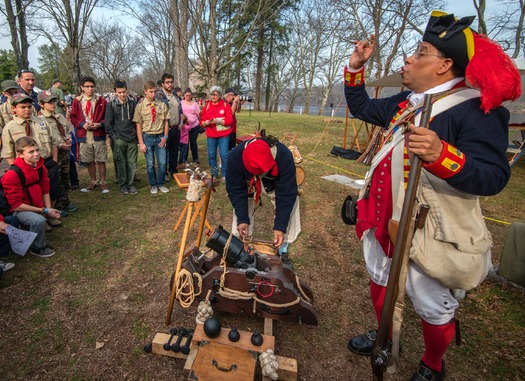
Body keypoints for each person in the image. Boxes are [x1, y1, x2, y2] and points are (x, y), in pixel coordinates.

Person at [344, 11, 521, 381]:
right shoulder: (410, 100)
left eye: (420, 52)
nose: (409, 58)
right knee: (379, 277)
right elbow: (361, 107)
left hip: (429, 228)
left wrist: (442, 153)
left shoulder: (476, 110)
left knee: (431, 305)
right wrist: (355, 68)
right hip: (382, 217)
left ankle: (433, 364)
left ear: (443, 64)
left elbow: (493, 176)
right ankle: (386, 337)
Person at [226, 137, 301, 259]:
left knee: (292, 202)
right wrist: (242, 218)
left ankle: (283, 246)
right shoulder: (235, 157)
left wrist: (280, 226)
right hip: (248, 182)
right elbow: (235, 190)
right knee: (240, 214)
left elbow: (286, 195)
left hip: (273, 184)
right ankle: (240, 241)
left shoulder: (284, 156)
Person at [1, 93, 63, 229]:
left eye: (29, 106)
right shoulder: (10, 127)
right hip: (24, 169)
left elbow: (53, 142)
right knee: (32, 194)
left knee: (52, 190)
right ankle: (39, 218)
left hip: (45, 162)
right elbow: (8, 151)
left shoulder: (41, 122)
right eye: (23, 107)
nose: (27, 109)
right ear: (14, 109)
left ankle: (49, 215)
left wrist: (54, 160)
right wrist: (18, 170)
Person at [1, 136, 61, 257]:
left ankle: (32, 234)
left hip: (34, 206)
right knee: (38, 221)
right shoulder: (12, 175)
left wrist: (48, 209)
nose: (36, 154)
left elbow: (45, 189)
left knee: (39, 220)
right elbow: (16, 206)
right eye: (31, 152)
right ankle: (37, 247)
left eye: (37, 150)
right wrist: (44, 210)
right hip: (17, 210)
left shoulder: (40, 167)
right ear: (20, 154)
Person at [38, 90, 78, 218]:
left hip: (64, 152)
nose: (53, 104)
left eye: (53, 101)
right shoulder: (40, 120)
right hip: (53, 153)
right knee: (56, 180)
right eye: (49, 102)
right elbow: (45, 140)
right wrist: (60, 145)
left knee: (66, 177)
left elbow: (65, 131)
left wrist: (68, 139)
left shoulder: (59, 117)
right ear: (41, 104)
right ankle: (57, 206)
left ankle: (66, 202)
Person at [70, 76, 109, 193]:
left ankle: (103, 182)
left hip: (98, 133)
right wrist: (82, 124)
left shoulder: (101, 101)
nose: (90, 89)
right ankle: (93, 182)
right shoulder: (77, 101)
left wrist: (100, 124)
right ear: (82, 87)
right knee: (89, 160)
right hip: (84, 135)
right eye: (87, 87)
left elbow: (107, 117)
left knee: (101, 159)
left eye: (92, 86)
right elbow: (73, 117)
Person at [133, 81, 170, 194]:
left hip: (160, 137)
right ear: (145, 91)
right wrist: (141, 142)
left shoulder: (162, 105)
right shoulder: (140, 106)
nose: (153, 94)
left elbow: (166, 122)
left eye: (155, 91)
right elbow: (138, 125)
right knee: (150, 164)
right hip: (147, 137)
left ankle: (161, 183)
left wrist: (165, 136)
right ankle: (153, 184)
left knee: (163, 163)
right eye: (151, 92)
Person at [105, 80, 138, 195]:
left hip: (132, 138)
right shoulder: (111, 105)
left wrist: (135, 135)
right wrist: (114, 137)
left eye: (124, 92)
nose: (122, 94)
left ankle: (131, 184)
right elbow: (108, 124)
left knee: (132, 162)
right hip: (119, 139)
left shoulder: (133, 103)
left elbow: (137, 121)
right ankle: (123, 184)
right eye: (119, 92)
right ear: (115, 92)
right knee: (121, 162)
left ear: (127, 91)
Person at [200, 86, 233, 183]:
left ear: (220, 95)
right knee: (211, 155)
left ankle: (225, 174)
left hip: (223, 134)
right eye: (212, 94)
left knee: (224, 154)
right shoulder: (207, 106)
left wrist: (218, 120)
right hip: (211, 135)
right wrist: (204, 123)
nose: (213, 96)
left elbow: (229, 121)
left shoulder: (225, 105)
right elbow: (201, 120)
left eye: (216, 94)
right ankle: (214, 174)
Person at [156, 74, 184, 177]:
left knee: (174, 152)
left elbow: (181, 111)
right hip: (164, 129)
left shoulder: (176, 97)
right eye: (167, 82)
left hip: (176, 128)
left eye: (171, 82)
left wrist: (181, 122)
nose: (170, 84)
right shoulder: (158, 96)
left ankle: (174, 172)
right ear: (163, 84)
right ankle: (164, 173)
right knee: (164, 153)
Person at [181, 88, 201, 164]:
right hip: (184, 127)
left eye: (189, 95)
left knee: (193, 142)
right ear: (184, 95)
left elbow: (199, 113)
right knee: (185, 142)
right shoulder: (181, 103)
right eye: (187, 95)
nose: (188, 97)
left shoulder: (194, 104)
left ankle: (195, 157)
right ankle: (184, 158)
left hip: (194, 125)